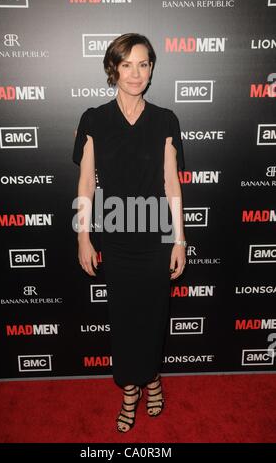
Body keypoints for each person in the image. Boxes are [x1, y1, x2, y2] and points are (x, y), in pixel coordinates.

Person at [73, 33, 186, 433]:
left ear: (152, 69)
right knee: (123, 319)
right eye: (127, 64)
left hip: (156, 237)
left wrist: (179, 239)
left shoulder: (166, 119)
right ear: (113, 69)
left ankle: (152, 378)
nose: (136, 73)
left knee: (154, 316)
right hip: (117, 236)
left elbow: (171, 183)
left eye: (144, 64)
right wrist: (83, 237)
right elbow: (86, 184)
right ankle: (129, 389)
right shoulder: (94, 119)